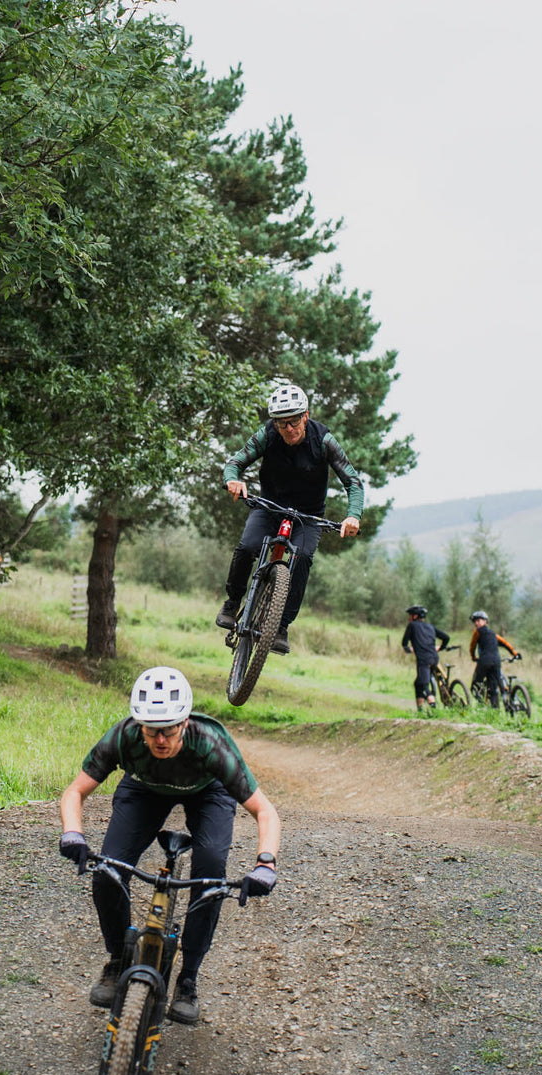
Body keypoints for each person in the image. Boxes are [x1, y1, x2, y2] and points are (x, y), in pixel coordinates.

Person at [58, 666, 281, 1025]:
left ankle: (188, 980)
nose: (161, 740)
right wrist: (73, 834)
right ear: (139, 725)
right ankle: (117, 962)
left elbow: (265, 811)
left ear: (185, 722)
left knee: (210, 871)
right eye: (152, 731)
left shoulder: (210, 743)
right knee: (107, 872)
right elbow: (75, 791)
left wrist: (265, 864)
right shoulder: (124, 736)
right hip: (144, 788)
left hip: (208, 792)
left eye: (170, 730)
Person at [216, 383, 364, 656]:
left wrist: (353, 515)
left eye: (294, 421)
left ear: (305, 416)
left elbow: (353, 482)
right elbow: (234, 463)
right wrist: (232, 480)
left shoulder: (324, 440)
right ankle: (232, 602)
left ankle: (281, 627)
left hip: (308, 516)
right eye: (281, 423)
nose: (288, 429)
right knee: (248, 547)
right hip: (269, 506)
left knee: (303, 559)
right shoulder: (267, 435)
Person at [401, 605, 451, 711]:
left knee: (424, 686)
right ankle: (420, 711)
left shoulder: (412, 626)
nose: (408, 618)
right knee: (418, 683)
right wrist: (440, 648)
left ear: (414, 616)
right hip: (434, 658)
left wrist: (410, 649)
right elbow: (446, 637)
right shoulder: (430, 626)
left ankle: (434, 710)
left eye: (409, 615)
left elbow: (404, 643)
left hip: (423, 660)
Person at [468, 610, 520, 708]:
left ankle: (482, 706)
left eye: (478, 620)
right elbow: (505, 643)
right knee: (493, 690)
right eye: (475, 621)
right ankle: (495, 712)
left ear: (485, 621)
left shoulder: (477, 632)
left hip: (484, 661)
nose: (476, 623)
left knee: (475, 687)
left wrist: (473, 656)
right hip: (496, 662)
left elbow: (472, 646)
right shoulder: (493, 634)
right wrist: (514, 653)